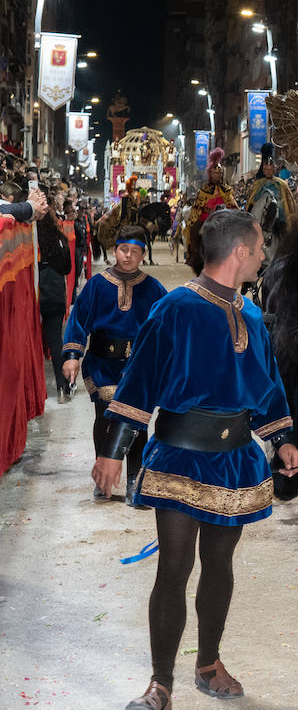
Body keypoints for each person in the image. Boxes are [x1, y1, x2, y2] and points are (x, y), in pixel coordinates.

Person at [96, 210, 298, 710]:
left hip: (235, 462)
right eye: (258, 248)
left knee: (220, 566)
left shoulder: (252, 316)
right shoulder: (175, 310)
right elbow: (139, 380)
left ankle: (207, 664)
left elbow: (268, 385)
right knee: (174, 567)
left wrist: (282, 441)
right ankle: (159, 685)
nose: (262, 256)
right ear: (238, 253)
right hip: (179, 458)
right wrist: (112, 450)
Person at [62, 224, 168, 498]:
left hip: (137, 368)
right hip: (102, 363)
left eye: (135, 251)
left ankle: (135, 478)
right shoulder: (98, 285)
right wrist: (72, 355)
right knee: (106, 417)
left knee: (137, 420)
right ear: (114, 250)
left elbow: (169, 327)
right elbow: (78, 320)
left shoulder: (154, 289)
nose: (128, 256)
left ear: (143, 255)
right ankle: (103, 476)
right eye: (124, 250)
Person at [36, 193, 73, 401]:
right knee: (55, 341)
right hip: (55, 293)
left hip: (35, 293)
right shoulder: (60, 238)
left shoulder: (31, 238)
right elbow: (67, 268)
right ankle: (62, 387)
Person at [186, 148, 240, 275]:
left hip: (223, 217)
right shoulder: (204, 190)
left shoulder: (226, 190)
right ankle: (193, 253)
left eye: (220, 173)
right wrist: (206, 209)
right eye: (216, 174)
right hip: (206, 217)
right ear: (211, 174)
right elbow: (198, 207)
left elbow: (233, 205)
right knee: (194, 229)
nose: (218, 176)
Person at [244, 142, 298, 236]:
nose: (268, 172)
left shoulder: (281, 184)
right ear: (263, 170)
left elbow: (289, 202)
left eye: (270, 169)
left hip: (279, 213)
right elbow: (251, 201)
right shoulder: (258, 184)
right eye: (266, 170)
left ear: (274, 169)